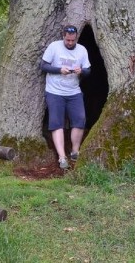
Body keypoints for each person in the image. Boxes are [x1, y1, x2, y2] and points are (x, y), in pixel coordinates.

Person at [39, 25, 91, 169]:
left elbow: (88, 70)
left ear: (76, 38)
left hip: (74, 91)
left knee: (80, 120)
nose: (69, 43)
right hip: (54, 91)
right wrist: (59, 70)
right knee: (57, 123)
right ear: (63, 36)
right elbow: (43, 66)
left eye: (72, 40)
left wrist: (82, 71)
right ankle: (62, 157)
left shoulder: (82, 50)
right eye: (67, 40)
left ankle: (75, 151)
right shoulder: (54, 47)